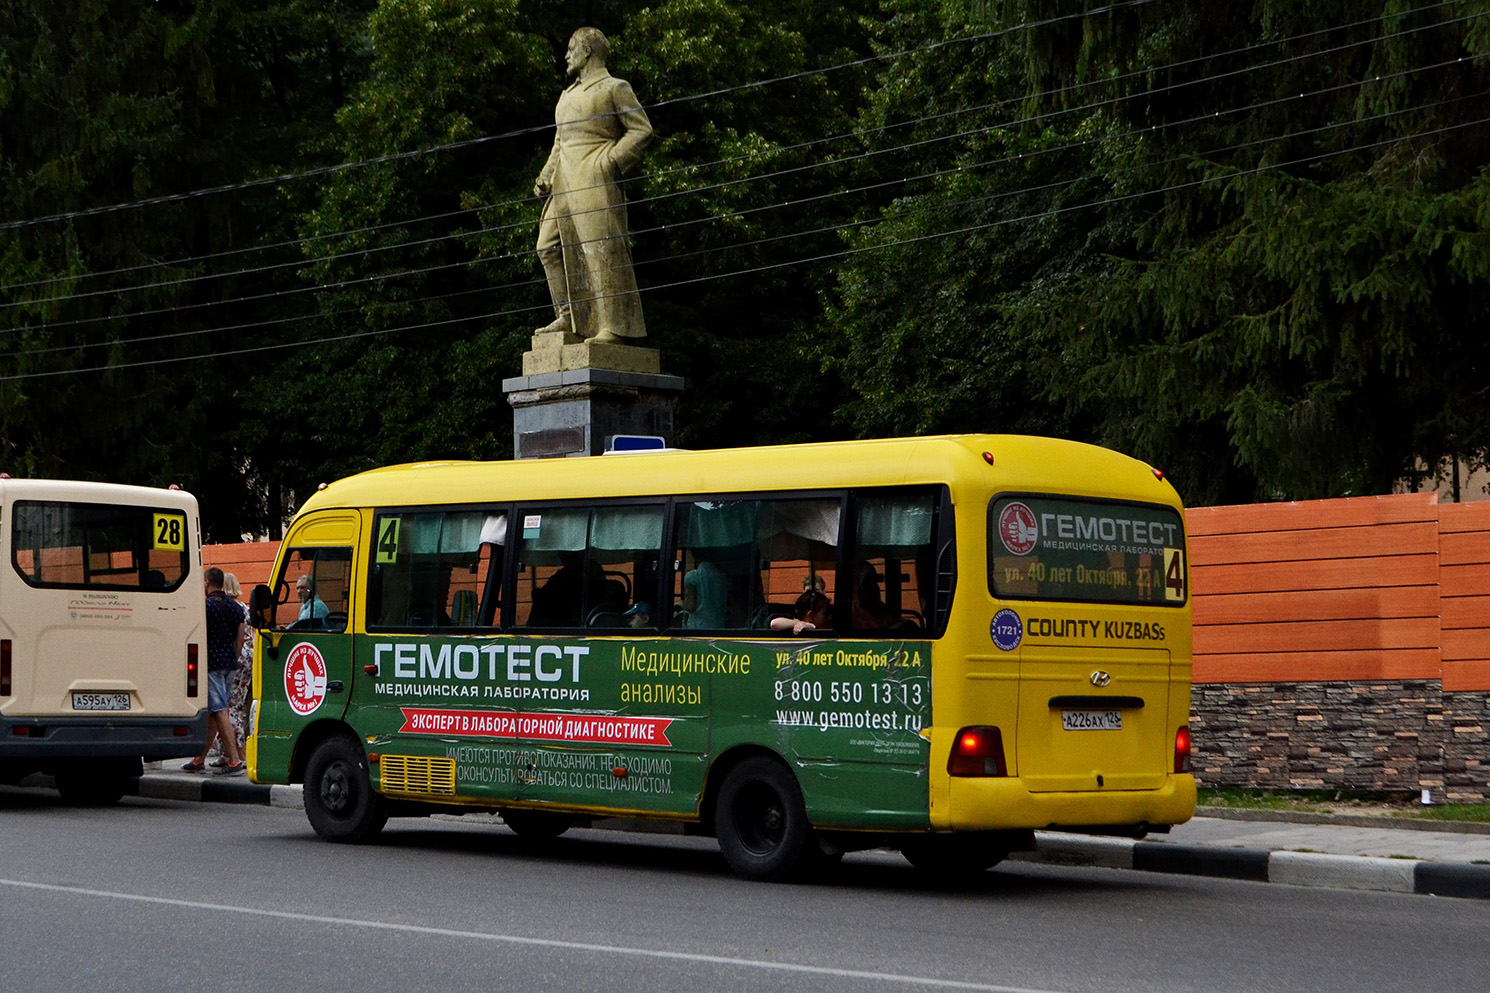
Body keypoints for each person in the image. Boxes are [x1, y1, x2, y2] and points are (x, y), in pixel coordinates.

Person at [533, 26, 653, 343]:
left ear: (588, 51)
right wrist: (546, 175)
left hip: (594, 176)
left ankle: (613, 326)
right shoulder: (567, 96)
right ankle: (567, 315)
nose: (566, 55)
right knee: (546, 246)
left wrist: (610, 163)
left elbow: (642, 130)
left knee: (600, 248)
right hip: (564, 182)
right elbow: (560, 142)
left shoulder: (614, 87)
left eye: (572, 48)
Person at [182, 567, 247, 775]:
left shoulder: (205, 607)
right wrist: (234, 657)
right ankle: (199, 759)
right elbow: (240, 637)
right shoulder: (236, 607)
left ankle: (234, 760)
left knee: (220, 710)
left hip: (212, 665)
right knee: (214, 713)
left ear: (207, 583)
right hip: (230, 663)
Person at [222, 573, 254, 754]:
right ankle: (227, 752)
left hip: (235, 657)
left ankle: (238, 752)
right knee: (238, 704)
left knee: (228, 706)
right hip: (249, 657)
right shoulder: (245, 607)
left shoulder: (227, 608)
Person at [679, 557, 729, 629]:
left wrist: (681, 604)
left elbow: (690, 606)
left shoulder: (693, 576)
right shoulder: (722, 577)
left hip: (698, 628)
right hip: (719, 627)